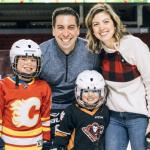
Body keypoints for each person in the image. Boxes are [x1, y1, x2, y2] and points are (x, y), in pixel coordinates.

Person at [85, 3, 150, 150]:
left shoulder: (134, 45)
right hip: (113, 117)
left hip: (139, 116)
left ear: (114, 23)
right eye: (96, 24)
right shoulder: (97, 52)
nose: (102, 27)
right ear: (92, 30)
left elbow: (149, 82)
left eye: (106, 21)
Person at [39, 6, 100, 148]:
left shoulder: (92, 53)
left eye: (71, 27)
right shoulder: (40, 53)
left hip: (80, 110)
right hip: (48, 111)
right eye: (60, 27)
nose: (66, 33)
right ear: (53, 30)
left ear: (78, 30)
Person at [0, 39, 52, 150]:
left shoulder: (44, 87)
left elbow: (45, 116)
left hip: (35, 143)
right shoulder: (3, 86)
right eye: (23, 59)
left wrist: (46, 139)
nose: (29, 63)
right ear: (14, 60)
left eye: (33, 60)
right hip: (9, 143)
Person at [54, 70, 109, 150]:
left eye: (95, 91)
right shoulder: (71, 111)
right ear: (78, 92)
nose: (90, 95)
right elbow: (62, 134)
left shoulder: (104, 111)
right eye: (86, 91)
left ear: (102, 92)